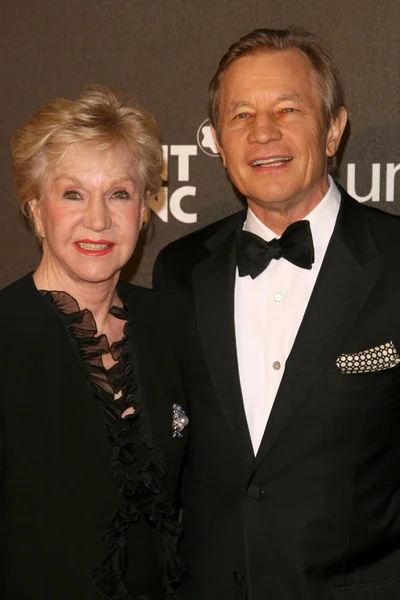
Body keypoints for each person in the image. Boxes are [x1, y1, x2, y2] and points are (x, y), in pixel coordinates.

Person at [153, 27, 400, 600]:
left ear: (333, 128)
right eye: (240, 115)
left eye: (287, 108)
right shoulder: (179, 270)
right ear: (216, 139)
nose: (262, 132)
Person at [0, 85, 190, 600]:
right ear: (36, 211)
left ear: (144, 212)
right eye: (72, 193)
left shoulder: (172, 325)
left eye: (120, 194)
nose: (99, 220)